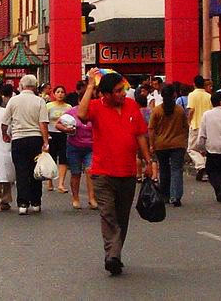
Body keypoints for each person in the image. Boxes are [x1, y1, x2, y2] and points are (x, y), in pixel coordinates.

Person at [77, 72, 154, 276]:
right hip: (103, 173)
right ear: (106, 95)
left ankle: (115, 253)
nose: (123, 94)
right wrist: (91, 86)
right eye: (118, 91)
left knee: (122, 217)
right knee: (108, 214)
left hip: (127, 172)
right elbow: (82, 115)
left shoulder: (131, 106)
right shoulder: (95, 106)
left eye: (123, 90)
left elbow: (140, 135)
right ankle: (113, 255)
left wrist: (148, 161)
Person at [1, 74, 50, 215]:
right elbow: (43, 123)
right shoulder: (40, 101)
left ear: (21, 86)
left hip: (18, 139)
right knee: (36, 171)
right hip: (35, 139)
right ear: (35, 86)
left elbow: (5, 121)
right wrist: (45, 141)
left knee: (21, 171)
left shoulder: (13, 101)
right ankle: (36, 202)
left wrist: (5, 134)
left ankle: (23, 203)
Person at [149, 84, 188, 207]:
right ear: (174, 95)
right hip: (178, 143)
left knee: (164, 169)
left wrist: (151, 144)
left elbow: (151, 129)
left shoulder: (157, 110)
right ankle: (176, 196)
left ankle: (165, 195)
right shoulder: (179, 110)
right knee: (176, 169)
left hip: (161, 144)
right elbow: (185, 126)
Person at [59, 92, 98, 209]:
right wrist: (67, 130)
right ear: (80, 101)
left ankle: (92, 198)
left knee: (90, 171)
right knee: (75, 173)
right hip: (74, 146)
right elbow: (58, 124)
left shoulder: (95, 113)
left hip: (90, 147)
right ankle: (75, 198)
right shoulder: (71, 112)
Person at [45, 86, 71, 194]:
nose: (60, 94)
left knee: (63, 159)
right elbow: (44, 121)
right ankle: (49, 180)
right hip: (51, 134)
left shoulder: (68, 107)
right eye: (58, 92)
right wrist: (45, 135)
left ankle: (61, 183)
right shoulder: (48, 106)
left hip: (64, 135)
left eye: (62, 92)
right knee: (51, 158)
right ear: (54, 94)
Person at [186, 76, 213, 181]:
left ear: (194, 84)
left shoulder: (192, 95)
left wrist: (189, 121)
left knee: (192, 148)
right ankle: (204, 169)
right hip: (207, 126)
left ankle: (201, 165)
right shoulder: (208, 96)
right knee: (205, 149)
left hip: (196, 124)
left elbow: (191, 110)